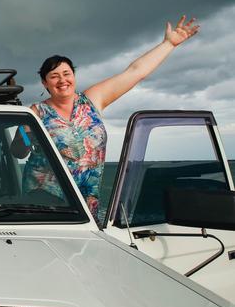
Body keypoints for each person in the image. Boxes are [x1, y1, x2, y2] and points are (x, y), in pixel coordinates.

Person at [25, 15, 199, 221]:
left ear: (74, 76)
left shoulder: (92, 100)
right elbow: (19, 150)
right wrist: (26, 134)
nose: (62, 80)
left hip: (86, 201)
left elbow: (135, 72)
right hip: (45, 199)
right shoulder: (35, 112)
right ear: (45, 83)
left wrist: (169, 44)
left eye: (67, 73)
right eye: (54, 76)